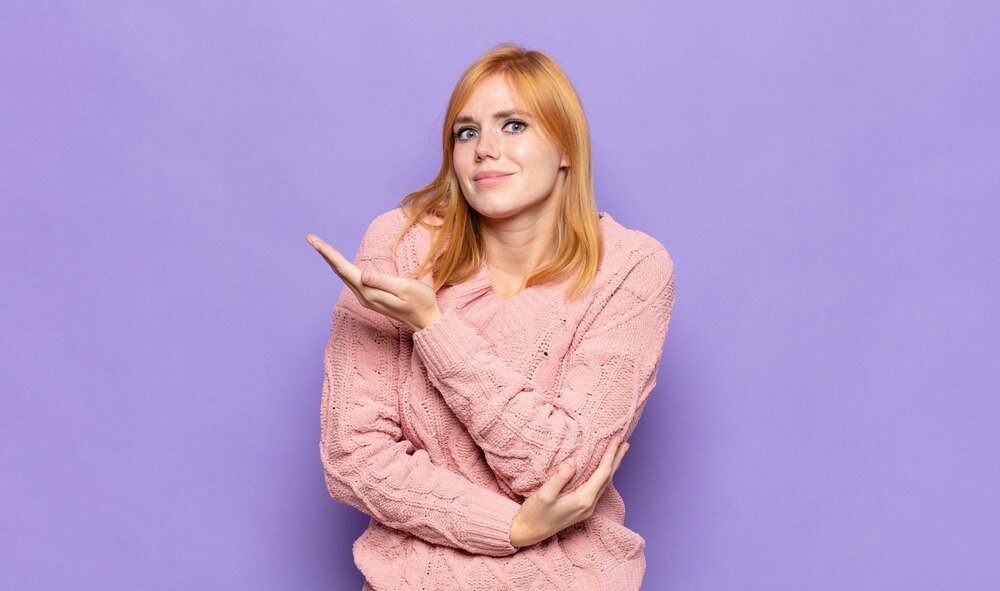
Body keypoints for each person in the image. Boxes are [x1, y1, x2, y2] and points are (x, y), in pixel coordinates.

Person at [307, 43, 675, 591]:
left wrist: (435, 326)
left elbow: (560, 470)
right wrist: (509, 528)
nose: (484, 149)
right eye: (467, 132)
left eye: (514, 125)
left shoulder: (631, 269)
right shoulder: (401, 246)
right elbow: (353, 456)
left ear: (566, 146)